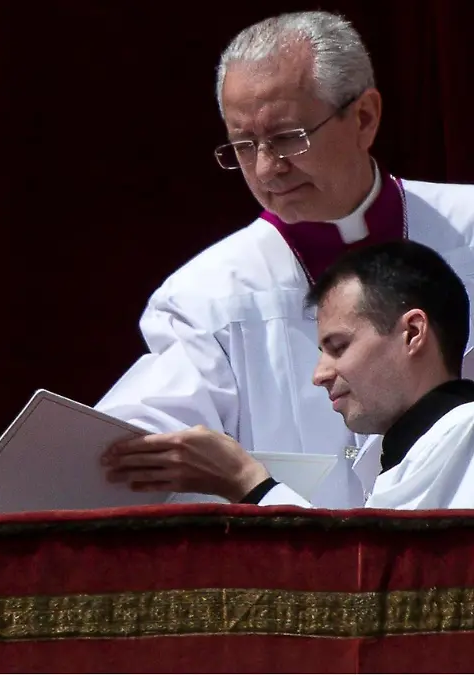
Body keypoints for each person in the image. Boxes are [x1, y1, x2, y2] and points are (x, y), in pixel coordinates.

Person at [96, 10, 474, 507]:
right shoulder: (207, 294)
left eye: (286, 138)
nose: (265, 169)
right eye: (243, 145)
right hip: (296, 557)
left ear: (364, 117)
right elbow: (137, 443)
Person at [104, 240, 474, 510]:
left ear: (412, 333)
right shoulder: (411, 453)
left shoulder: (466, 434)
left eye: (339, 346)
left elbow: (368, 583)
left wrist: (249, 483)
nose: (320, 375)